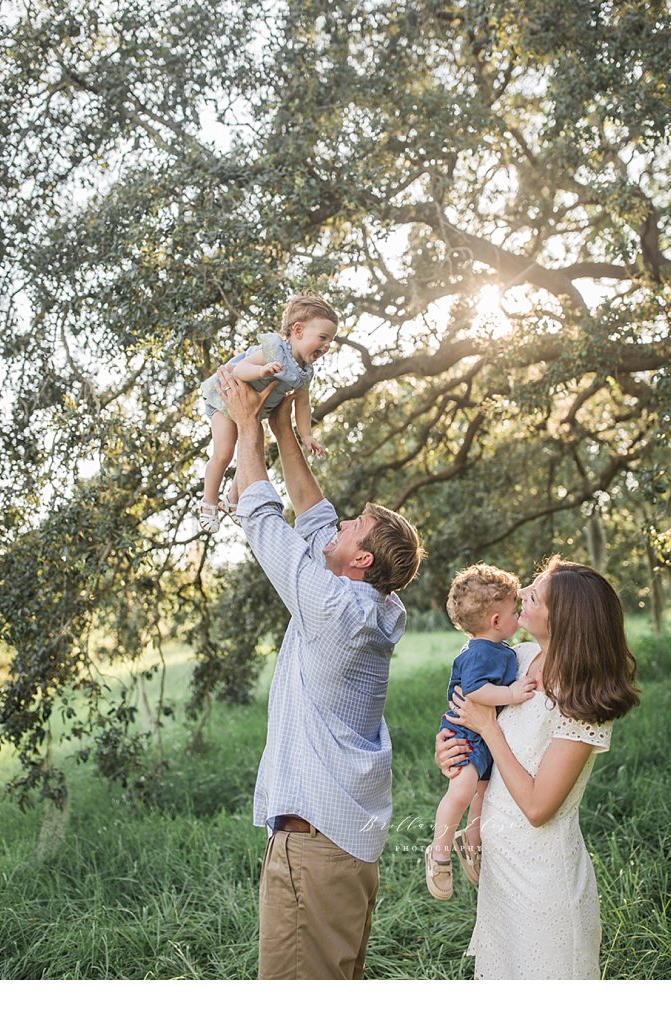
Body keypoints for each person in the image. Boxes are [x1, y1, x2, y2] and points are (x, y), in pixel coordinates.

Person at [215, 362, 424, 980]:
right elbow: (312, 514)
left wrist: (247, 427)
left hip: (312, 848)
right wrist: (285, 428)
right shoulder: (373, 604)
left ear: (360, 559)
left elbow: (263, 519)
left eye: (353, 526)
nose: (339, 524)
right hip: (343, 847)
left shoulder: (331, 606)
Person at [436, 557, 640, 980]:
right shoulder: (517, 658)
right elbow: (471, 722)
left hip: (545, 886)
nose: (522, 594)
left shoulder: (583, 705)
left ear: (565, 619)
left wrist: (487, 727)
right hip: (499, 876)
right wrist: (453, 752)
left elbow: (536, 807)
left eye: (536, 596)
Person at [425, 563, 537, 900]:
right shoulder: (480, 652)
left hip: (484, 734)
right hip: (466, 735)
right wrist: (512, 694)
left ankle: (471, 844)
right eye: (514, 612)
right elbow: (474, 691)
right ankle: (438, 852)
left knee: (483, 796)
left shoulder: (497, 649)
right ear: (497, 621)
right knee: (462, 792)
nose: (518, 615)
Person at [197, 293, 339, 532]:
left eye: (330, 341)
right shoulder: (275, 349)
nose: (325, 346)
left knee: (253, 449)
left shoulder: (305, 373)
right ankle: (208, 503)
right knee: (224, 451)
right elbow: (240, 369)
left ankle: (233, 499)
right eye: (322, 338)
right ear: (298, 330)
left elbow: (303, 405)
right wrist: (261, 371)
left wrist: (306, 436)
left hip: (252, 412)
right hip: (225, 401)